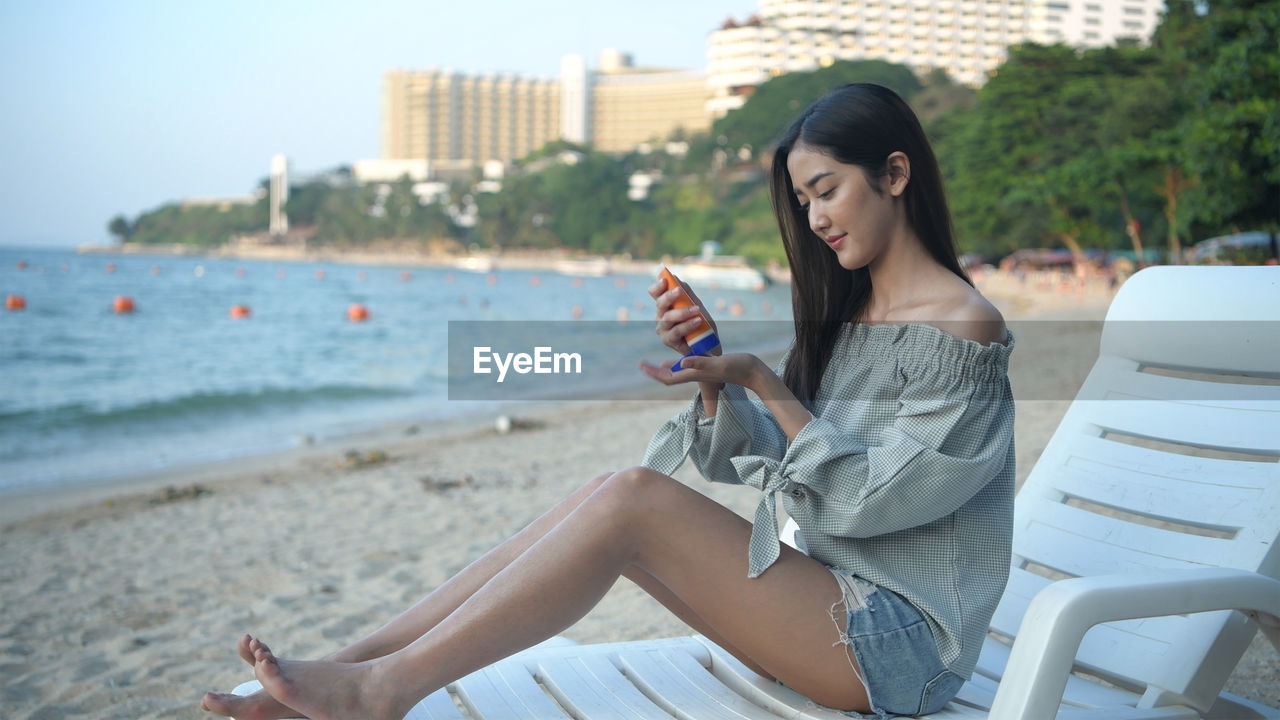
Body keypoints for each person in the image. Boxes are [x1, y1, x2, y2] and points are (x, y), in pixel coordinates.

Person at [202, 83, 1014, 720]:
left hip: (901, 649)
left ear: (895, 174)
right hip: (828, 607)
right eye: (803, 200)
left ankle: (381, 692)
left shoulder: (964, 329)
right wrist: (709, 369)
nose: (814, 218)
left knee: (632, 500)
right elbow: (766, 460)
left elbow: (869, 502)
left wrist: (762, 380)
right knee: (606, 496)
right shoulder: (852, 315)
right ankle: (349, 667)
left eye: (826, 190)